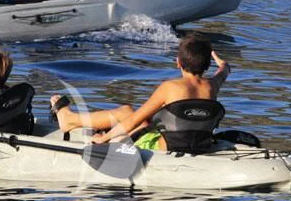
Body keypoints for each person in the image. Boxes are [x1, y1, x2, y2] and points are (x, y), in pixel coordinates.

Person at [51, 33, 230, 148]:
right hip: (197, 143)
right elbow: (223, 72)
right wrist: (223, 65)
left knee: (126, 112)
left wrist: (103, 140)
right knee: (141, 120)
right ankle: (73, 120)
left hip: (161, 147)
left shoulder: (170, 87)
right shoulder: (211, 86)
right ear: (207, 65)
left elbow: (135, 120)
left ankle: (69, 120)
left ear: (178, 62)